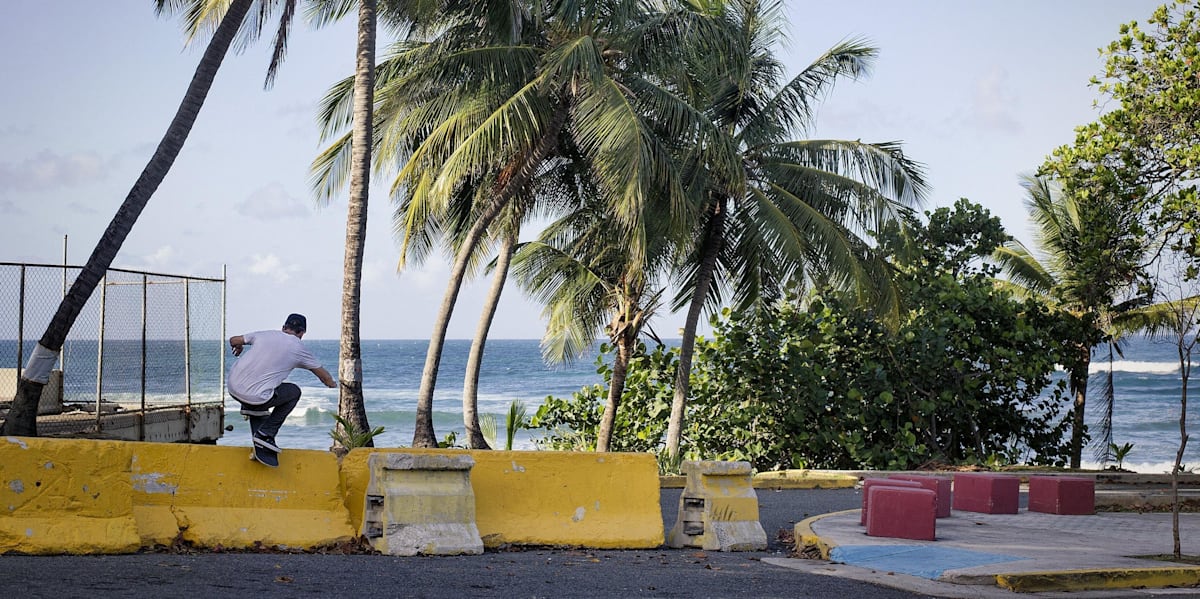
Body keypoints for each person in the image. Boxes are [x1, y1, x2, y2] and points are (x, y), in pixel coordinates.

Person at [227, 313, 335, 460]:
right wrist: (334, 386)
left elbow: (233, 340)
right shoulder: (299, 349)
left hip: (233, 387)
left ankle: (251, 408)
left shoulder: (264, 334)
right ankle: (265, 434)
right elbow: (325, 377)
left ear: (283, 327)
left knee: (266, 387)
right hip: (255, 397)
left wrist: (238, 346)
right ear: (302, 333)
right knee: (294, 392)